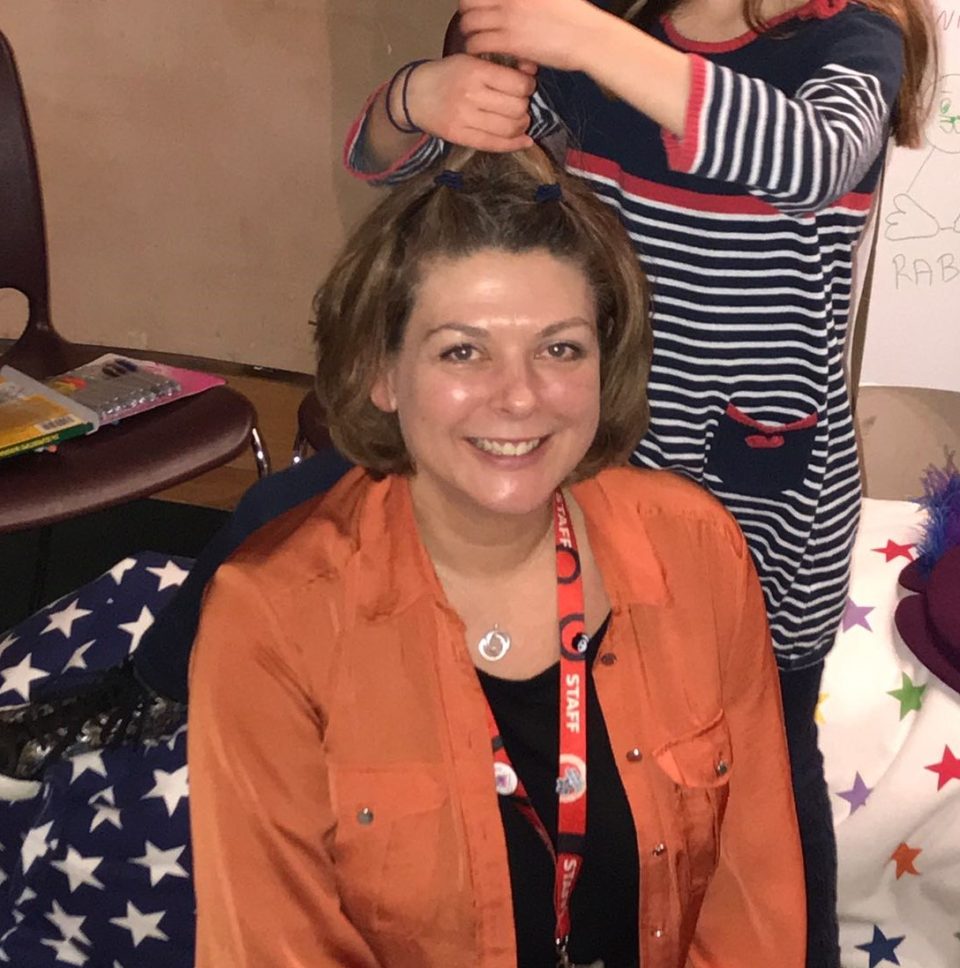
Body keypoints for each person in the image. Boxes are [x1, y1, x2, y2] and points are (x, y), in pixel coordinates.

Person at [341, 1, 937, 965]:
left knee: (771, 769)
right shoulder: (618, 37)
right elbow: (396, 159)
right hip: (609, 471)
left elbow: (808, 159)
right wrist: (420, 98)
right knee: (620, 730)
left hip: (769, 509)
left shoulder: (849, 40)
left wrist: (585, 37)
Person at [188, 146, 805, 968]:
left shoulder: (695, 548)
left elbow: (752, 901)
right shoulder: (272, 617)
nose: (520, 397)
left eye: (560, 350)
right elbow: (273, 948)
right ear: (383, 374)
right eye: (462, 351)